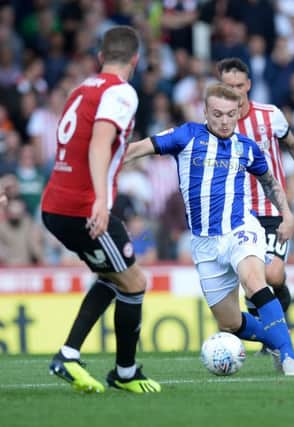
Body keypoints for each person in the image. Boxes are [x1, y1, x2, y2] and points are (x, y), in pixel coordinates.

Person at [124, 83, 294, 376]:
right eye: (218, 114)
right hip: (204, 242)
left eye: (231, 115)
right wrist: (106, 165)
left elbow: (270, 182)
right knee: (230, 323)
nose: (224, 121)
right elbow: (139, 149)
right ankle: (276, 341)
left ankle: (288, 356)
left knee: (254, 281)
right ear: (205, 112)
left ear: (237, 114)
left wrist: (287, 215)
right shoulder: (186, 136)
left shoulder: (246, 147)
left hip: (241, 229)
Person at [40, 26, 160, 393]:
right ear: (136, 60)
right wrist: (101, 200)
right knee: (135, 281)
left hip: (57, 202)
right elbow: (99, 144)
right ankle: (123, 373)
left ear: (100, 57)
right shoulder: (121, 92)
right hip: (82, 206)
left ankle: (70, 354)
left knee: (114, 277)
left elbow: (89, 145)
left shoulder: (82, 89)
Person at [216, 58, 294, 329]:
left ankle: (275, 321)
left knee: (273, 274)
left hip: (273, 208)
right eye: (228, 86)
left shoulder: (270, 115)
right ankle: (268, 330)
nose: (234, 91)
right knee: (250, 279)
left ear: (249, 85)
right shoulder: (215, 123)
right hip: (237, 213)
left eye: (239, 85)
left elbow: (292, 144)